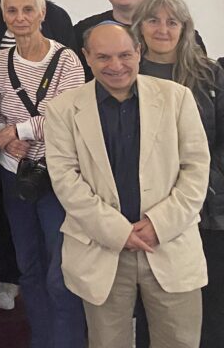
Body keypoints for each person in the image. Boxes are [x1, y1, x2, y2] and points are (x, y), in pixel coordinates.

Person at [45, 23, 210, 348]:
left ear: (138, 52)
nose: (116, 65)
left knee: (179, 341)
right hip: (102, 247)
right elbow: (65, 180)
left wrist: (159, 224)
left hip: (169, 242)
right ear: (86, 57)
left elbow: (196, 169)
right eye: (103, 57)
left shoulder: (177, 98)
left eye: (124, 55)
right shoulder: (62, 109)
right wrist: (118, 232)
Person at [0, 0, 87, 347]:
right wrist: (4, 136)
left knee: (60, 269)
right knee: (28, 265)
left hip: (56, 175)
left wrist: (20, 129)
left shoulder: (67, 60)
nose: (20, 18)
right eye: (12, 11)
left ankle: (67, 340)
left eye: (28, 9)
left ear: (42, 13)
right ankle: (42, 339)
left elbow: (68, 117)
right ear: (4, 16)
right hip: (15, 173)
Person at [133, 0, 224, 347]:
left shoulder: (210, 75)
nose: (162, 29)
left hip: (207, 208)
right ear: (139, 27)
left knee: (212, 301)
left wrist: (198, 179)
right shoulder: (126, 75)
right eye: (153, 20)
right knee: (153, 304)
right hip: (150, 210)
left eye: (172, 22)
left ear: (185, 29)